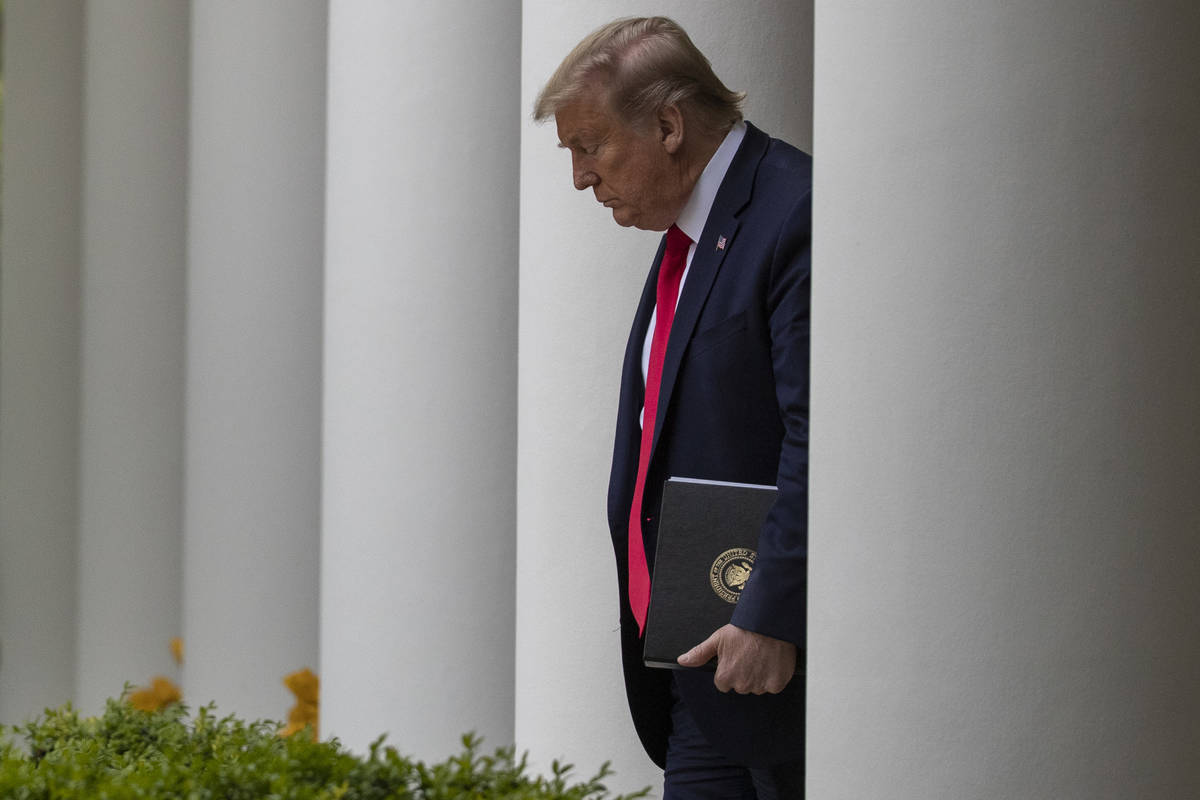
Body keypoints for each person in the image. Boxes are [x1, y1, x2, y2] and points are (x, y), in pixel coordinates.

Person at [534, 16, 810, 799]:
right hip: (700, 670)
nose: (581, 178)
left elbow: (818, 437)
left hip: (771, 669)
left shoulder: (792, 212)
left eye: (589, 147)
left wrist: (771, 614)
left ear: (667, 125)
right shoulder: (689, 235)